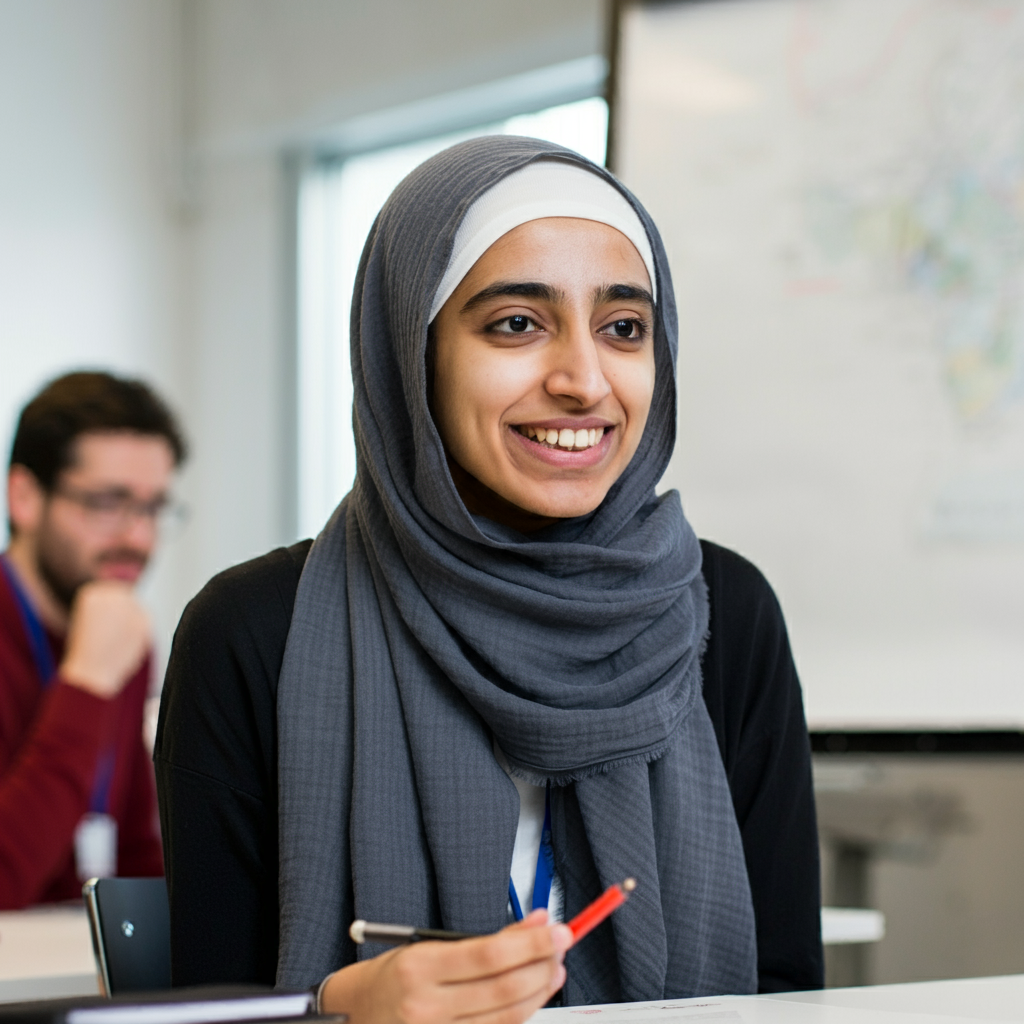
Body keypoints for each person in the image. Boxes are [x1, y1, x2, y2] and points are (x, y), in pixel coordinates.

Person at [156, 137, 822, 1018]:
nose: (584, 380)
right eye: (516, 323)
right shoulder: (252, 634)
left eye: (624, 328)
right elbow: (201, 1011)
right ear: (410, 352)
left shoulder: (724, 614)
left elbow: (786, 998)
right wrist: (341, 1010)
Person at [1, 371, 186, 909]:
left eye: (152, 508)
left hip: (79, 973)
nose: (139, 538)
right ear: (25, 497)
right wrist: (85, 684)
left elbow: (130, 854)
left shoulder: (121, 634)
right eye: (109, 503)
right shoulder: (105, 646)